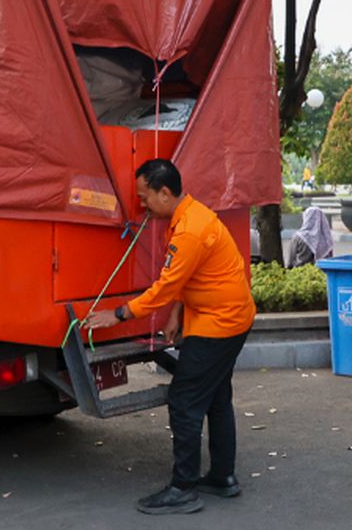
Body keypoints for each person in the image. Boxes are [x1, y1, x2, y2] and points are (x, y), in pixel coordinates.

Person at [85, 159, 255, 515]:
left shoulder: (190, 229)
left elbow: (164, 287)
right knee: (217, 398)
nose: (142, 204)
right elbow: (186, 279)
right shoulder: (188, 217)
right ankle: (223, 477)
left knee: (185, 400)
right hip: (230, 319)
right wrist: (177, 312)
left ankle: (183, 488)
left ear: (165, 192)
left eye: (145, 197)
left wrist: (118, 314)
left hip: (218, 325)